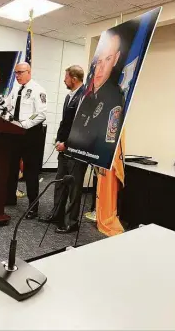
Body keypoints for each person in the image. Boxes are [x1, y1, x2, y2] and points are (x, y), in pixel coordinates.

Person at [39, 65, 88, 233]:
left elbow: (81, 126)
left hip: (77, 151)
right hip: (64, 148)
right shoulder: (69, 96)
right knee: (60, 183)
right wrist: (59, 140)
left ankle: (71, 222)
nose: (64, 80)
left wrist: (67, 144)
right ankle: (56, 214)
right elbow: (66, 122)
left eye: (66, 77)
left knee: (74, 188)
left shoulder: (85, 96)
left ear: (74, 78)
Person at [68, 32, 125, 169]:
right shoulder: (88, 93)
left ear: (116, 59)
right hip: (76, 151)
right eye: (98, 61)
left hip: (95, 159)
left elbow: (108, 141)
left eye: (108, 59)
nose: (100, 68)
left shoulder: (115, 96)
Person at [5, 62, 47, 219]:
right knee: (11, 167)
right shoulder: (16, 89)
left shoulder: (38, 90)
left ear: (29, 72)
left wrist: (24, 125)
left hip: (31, 135)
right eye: (16, 73)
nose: (17, 75)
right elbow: (7, 104)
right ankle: (9, 198)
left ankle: (33, 207)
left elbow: (41, 113)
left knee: (30, 173)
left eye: (20, 72)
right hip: (14, 134)